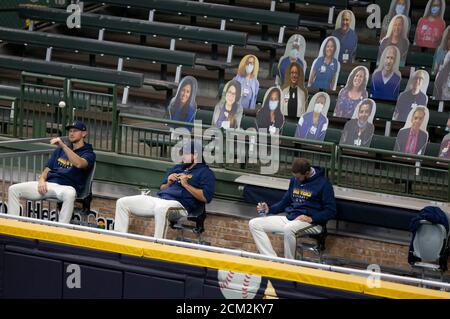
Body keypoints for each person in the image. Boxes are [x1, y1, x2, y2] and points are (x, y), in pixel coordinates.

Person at [114, 142, 215, 238]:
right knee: (122, 202)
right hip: (160, 199)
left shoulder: (205, 173)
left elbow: (206, 197)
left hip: (180, 206)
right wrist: (169, 182)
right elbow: (162, 188)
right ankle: (118, 241)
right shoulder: (177, 168)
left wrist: (186, 184)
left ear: (195, 155)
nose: (182, 156)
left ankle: (157, 247)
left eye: (185, 154)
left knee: (161, 209)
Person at [8, 120, 96, 224]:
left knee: (70, 194)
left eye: (75, 131)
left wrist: (63, 146)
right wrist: (41, 180)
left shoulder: (88, 153)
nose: (71, 133)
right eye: (70, 131)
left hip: (66, 188)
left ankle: (62, 230)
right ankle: (12, 225)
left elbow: (79, 164)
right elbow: (47, 168)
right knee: (13, 189)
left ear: (84, 134)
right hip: (48, 185)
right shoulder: (59, 150)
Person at [248, 158, 336, 259]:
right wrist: (269, 209)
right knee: (254, 224)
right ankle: (271, 260)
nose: (296, 180)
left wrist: (312, 218)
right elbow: (285, 202)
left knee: (289, 228)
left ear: (307, 173)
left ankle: (289, 265)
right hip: (291, 218)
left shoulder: (324, 184)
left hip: (313, 223)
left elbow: (331, 211)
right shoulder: (294, 180)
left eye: (298, 178)